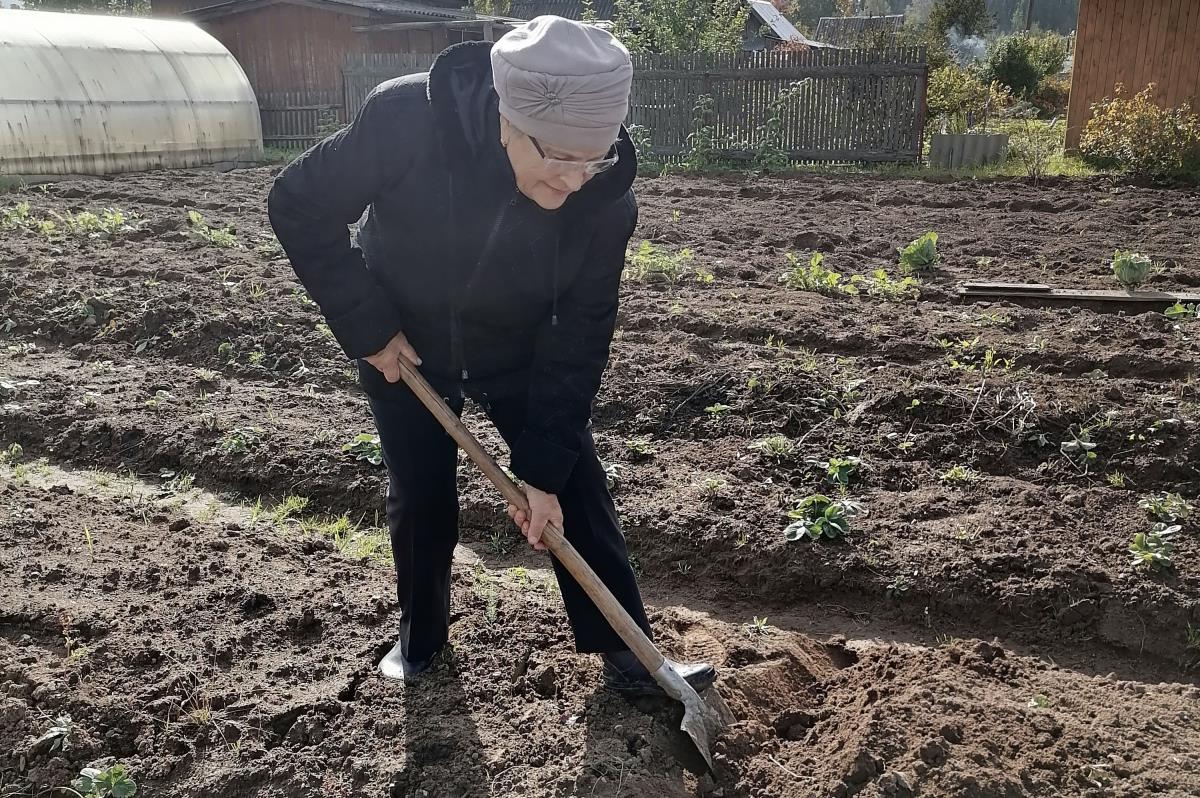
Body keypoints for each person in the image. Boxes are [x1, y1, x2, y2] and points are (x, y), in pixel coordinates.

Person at [267, 16, 715, 698]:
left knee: (576, 490)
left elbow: (582, 334)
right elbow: (297, 204)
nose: (573, 180)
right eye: (557, 157)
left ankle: (630, 653)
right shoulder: (405, 121)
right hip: (405, 341)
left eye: (591, 159)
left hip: (522, 348)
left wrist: (541, 470)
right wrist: (368, 325)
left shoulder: (604, 202)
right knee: (421, 497)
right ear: (509, 114)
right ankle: (421, 642)